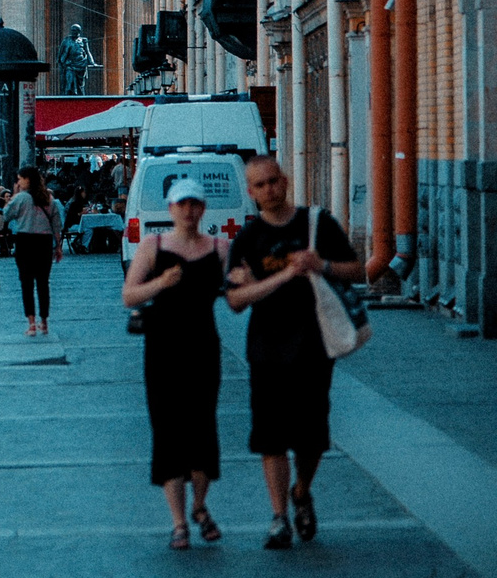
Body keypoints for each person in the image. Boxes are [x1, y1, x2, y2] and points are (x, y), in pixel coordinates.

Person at [226, 154, 362, 550]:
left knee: (311, 436)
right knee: (270, 437)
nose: (269, 189)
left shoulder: (317, 223)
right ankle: (278, 517)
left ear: (285, 181)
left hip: (314, 344)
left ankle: (301, 491)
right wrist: (269, 280)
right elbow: (234, 301)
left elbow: (358, 270)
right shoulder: (248, 239)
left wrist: (322, 264)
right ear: (251, 192)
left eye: (274, 181)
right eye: (260, 185)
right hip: (266, 348)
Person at [123, 177, 226, 548]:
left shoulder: (219, 248)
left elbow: (237, 286)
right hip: (163, 349)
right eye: (182, 204)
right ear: (170, 209)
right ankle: (179, 521)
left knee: (202, 429)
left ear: (203, 208)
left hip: (203, 348)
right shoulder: (153, 246)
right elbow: (129, 295)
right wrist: (161, 283)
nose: (188, 210)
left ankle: (199, 505)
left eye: (194, 203)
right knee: (168, 431)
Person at [3, 165, 59, 336]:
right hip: (44, 242)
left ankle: (32, 323)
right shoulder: (49, 198)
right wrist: (58, 246)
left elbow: (6, 215)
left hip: (25, 241)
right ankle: (44, 321)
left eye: (20, 179)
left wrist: (14, 195)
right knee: (43, 283)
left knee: (26, 283)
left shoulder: (21, 198)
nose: (18, 182)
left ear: (27, 180)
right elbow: (56, 224)